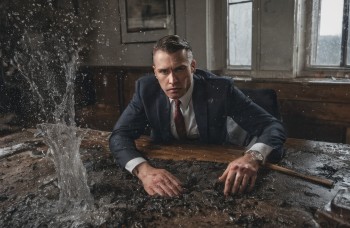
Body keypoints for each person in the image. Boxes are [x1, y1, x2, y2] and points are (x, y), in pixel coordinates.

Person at [109, 35, 286, 197]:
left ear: (192, 67)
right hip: (165, 163)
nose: (172, 81)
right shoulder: (145, 89)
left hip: (214, 167)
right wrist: (144, 171)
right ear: (155, 72)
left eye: (179, 69)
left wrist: (252, 157)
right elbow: (119, 135)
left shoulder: (220, 90)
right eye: (164, 72)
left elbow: (272, 126)